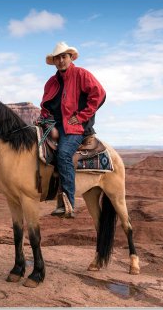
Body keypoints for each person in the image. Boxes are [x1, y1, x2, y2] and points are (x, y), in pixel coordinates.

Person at [37, 42, 106, 218]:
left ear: (70, 57)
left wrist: (82, 116)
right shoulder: (51, 83)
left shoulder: (81, 74)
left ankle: (68, 203)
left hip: (75, 127)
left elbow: (99, 94)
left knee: (63, 154)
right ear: (53, 62)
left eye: (64, 57)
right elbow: (46, 106)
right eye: (57, 58)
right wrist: (45, 119)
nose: (61, 60)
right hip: (55, 125)